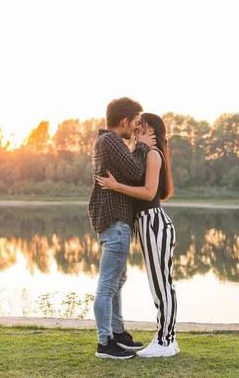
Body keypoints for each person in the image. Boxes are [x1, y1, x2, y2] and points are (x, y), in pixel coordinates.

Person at [96, 113, 180, 358]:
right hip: (148, 224)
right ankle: (167, 339)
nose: (134, 131)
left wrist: (116, 186)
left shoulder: (153, 154)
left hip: (154, 223)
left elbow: (148, 192)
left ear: (150, 129)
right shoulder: (148, 154)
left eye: (139, 127)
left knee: (161, 286)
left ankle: (165, 341)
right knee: (161, 285)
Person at [88, 97, 156, 359]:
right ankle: (105, 343)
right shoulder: (111, 140)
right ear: (124, 121)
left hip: (114, 220)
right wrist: (141, 146)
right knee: (108, 284)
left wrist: (135, 143)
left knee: (118, 280)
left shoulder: (107, 141)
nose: (137, 128)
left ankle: (117, 333)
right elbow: (138, 172)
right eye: (136, 123)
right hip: (115, 219)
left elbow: (127, 172)